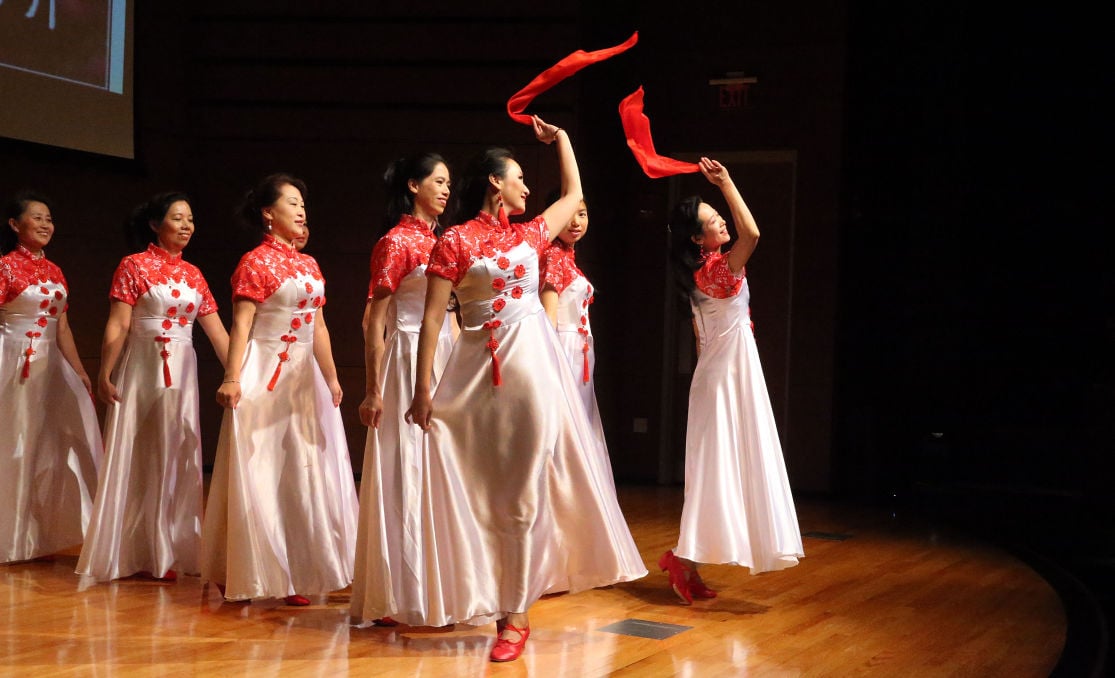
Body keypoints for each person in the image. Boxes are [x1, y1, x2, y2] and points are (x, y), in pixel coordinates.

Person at [407, 117, 646, 662]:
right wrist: (423, 389)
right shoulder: (454, 240)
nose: (526, 187)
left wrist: (561, 139)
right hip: (474, 372)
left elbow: (575, 193)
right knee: (483, 488)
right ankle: (484, 593)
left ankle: (514, 616)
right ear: (495, 183)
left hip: (533, 366)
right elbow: (429, 321)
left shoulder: (530, 234)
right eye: (517, 177)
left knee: (525, 489)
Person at [200, 174, 358, 606]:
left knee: (301, 474)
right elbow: (242, 324)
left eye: (303, 202)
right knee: (261, 471)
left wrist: (331, 377)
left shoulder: (309, 264)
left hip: (303, 378)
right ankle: (245, 569)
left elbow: (319, 325)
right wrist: (232, 378)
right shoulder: (254, 261)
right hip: (265, 371)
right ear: (269, 213)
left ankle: (293, 569)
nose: (301, 209)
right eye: (291, 202)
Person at [661, 157, 803, 604]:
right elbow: (754, 234)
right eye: (712, 221)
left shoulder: (708, 270)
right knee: (716, 471)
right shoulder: (714, 272)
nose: (721, 222)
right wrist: (726, 183)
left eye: (718, 217)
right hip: (725, 377)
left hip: (728, 370)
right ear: (696, 238)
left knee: (722, 469)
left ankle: (687, 559)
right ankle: (684, 560)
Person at [76, 192, 229, 583]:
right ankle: (132, 550)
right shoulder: (133, 265)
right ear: (154, 224)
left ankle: (171, 549)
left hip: (183, 370)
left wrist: (237, 374)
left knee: (178, 450)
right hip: (143, 366)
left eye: (190, 219)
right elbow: (119, 323)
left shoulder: (194, 274)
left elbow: (216, 332)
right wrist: (105, 372)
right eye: (178, 218)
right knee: (140, 450)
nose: (186, 226)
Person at [351, 153, 457, 627]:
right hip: (407, 356)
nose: (446, 190)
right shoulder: (396, 242)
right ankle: (399, 592)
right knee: (404, 470)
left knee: (441, 471)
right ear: (413, 186)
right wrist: (373, 389)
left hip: (447, 356)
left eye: (450, 183)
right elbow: (374, 320)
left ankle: (441, 589)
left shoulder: (445, 241)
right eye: (438, 181)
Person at [0, 191, 102, 564]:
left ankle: (38, 535)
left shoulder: (55, 270)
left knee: (49, 447)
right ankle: (8, 538)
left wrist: (78, 371)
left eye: (49, 218)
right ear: (15, 225)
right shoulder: (5, 267)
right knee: (13, 443)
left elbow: (63, 329)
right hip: (12, 363)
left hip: (50, 366)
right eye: (37, 218)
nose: (45, 224)